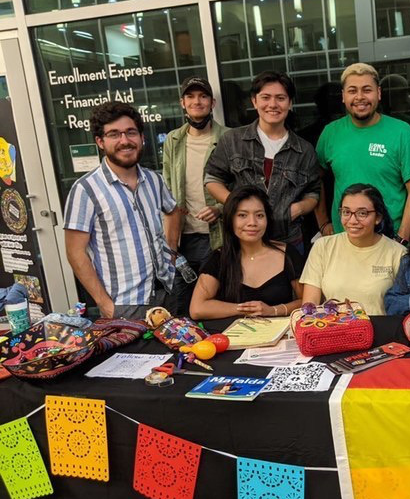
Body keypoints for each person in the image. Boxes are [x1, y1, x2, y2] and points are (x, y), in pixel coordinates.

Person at [64, 101, 180, 320]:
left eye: (130, 132)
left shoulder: (153, 180)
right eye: (114, 134)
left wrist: (171, 253)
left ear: (141, 137)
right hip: (123, 305)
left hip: (166, 292)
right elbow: (75, 252)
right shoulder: (86, 189)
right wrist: (103, 303)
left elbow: (173, 212)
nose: (125, 141)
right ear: (100, 141)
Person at [204, 71, 320, 253]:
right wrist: (238, 205)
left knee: (292, 282)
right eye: (265, 97)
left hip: (289, 241)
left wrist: (297, 209)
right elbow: (212, 179)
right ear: (254, 101)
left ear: (290, 103)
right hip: (242, 241)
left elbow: (313, 192)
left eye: (280, 98)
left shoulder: (304, 150)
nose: (273, 104)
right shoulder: (232, 140)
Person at [315, 63, 410, 246]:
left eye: (367, 90)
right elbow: (315, 180)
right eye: (352, 91)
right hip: (344, 242)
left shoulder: (402, 132)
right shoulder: (330, 134)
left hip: (390, 241)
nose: (360, 97)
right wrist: (323, 223)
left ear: (379, 93)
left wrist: (402, 237)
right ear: (343, 96)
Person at [162, 77, 228, 315]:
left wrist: (221, 208)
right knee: (181, 307)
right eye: (190, 96)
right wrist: (170, 244)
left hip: (218, 236)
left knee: (217, 303)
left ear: (212, 102)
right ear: (182, 103)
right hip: (185, 239)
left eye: (202, 96)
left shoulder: (229, 137)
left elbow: (241, 188)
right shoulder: (173, 140)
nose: (196, 101)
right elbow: (167, 189)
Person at [189, 185, 303, 320]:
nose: (252, 222)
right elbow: (197, 309)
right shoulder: (219, 258)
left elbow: (309, 301)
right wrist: (244, 309)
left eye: (259, 215)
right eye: (242, 215)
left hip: (282, 337)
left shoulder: (287, 254)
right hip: (232, 338)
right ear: (230, 219)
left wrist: (273, 310)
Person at [300, 184, 405, 315]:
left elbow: (403, 307)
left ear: (378, 217)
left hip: (380, 331)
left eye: (362, 213)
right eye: (346, 212)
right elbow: (310, 306)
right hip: (332, 330)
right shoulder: (323, 246)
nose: (352, 220)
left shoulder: (398, 253)